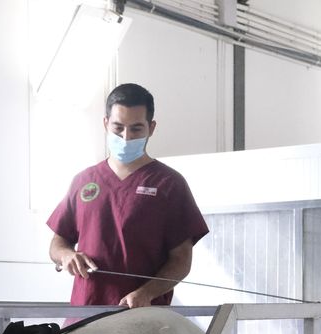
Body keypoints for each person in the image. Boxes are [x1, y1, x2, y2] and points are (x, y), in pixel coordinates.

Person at [47, 83, 209, 307]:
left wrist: (146, 293)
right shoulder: (84, 181)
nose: (126, 137)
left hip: (142, 316)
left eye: (136, 129)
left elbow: (181, 260)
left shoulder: (169, 184)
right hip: (86, 313)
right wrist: (66, 255)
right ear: (105, 123)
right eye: (118, 128)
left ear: (151, 128)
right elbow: (57, 243)